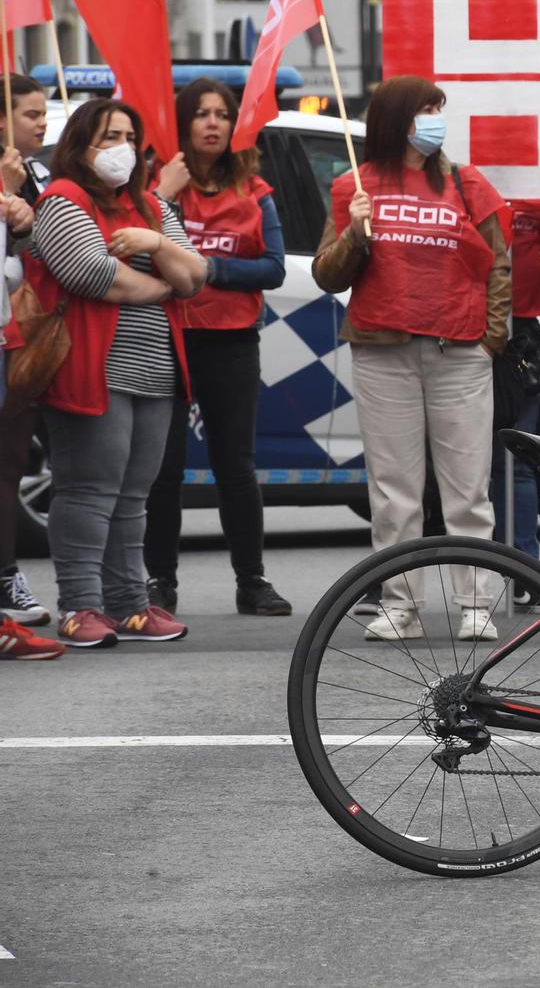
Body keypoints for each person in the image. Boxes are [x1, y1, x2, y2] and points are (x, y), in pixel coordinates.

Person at [312, 76, 511, 643]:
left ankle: (477, 603)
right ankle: (400, 604)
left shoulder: (468, 184)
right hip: (382, 353)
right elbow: (328, 274)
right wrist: (354, 233)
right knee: (394, 490)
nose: (436, 119)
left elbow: (499, 264)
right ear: (396, 119)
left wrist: (489, 338)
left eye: (439, 109)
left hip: (459, 351)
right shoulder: (355, 184)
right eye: (426, 109)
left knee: (467, 489)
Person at [20, 98, 205, 648]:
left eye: (128, 135)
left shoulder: (150, 207)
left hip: (154, 372)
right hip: (89, 368)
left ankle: (129, 604)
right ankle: (79, 604)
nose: (121, 148)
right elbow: (92, 275)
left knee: (133, 495)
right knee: (87, 490)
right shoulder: (62, 200)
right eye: (107, 136)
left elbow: (195, 274)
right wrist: (159, 284)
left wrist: (155, 244)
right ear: (80, 145)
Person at [141, 79, 291, 618]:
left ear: (233, 126)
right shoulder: (158, 185)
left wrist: (208, 270)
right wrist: (160, 193)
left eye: (222, 115)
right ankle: (160, 584)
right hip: (168, 337)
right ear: (182, 125)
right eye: (201, 114)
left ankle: (252, 581)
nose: (212, 123)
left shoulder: (255, 190)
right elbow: (132, 251)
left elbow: (272, 268)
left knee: (236, 467)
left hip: (231, 341)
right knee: (164, 470)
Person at [0, 74, 54, 630]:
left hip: (17, 335)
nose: (41, 122)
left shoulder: (34, 174)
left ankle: (6, 574)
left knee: (11, 462)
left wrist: (23, 214)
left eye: (43, 112)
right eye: (30, 113)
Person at [491, 197, 540, 607]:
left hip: (521, 339)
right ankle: (396, 583)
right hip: (464, 330)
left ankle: (522, 572)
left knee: (515, 464)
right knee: (456, 474)